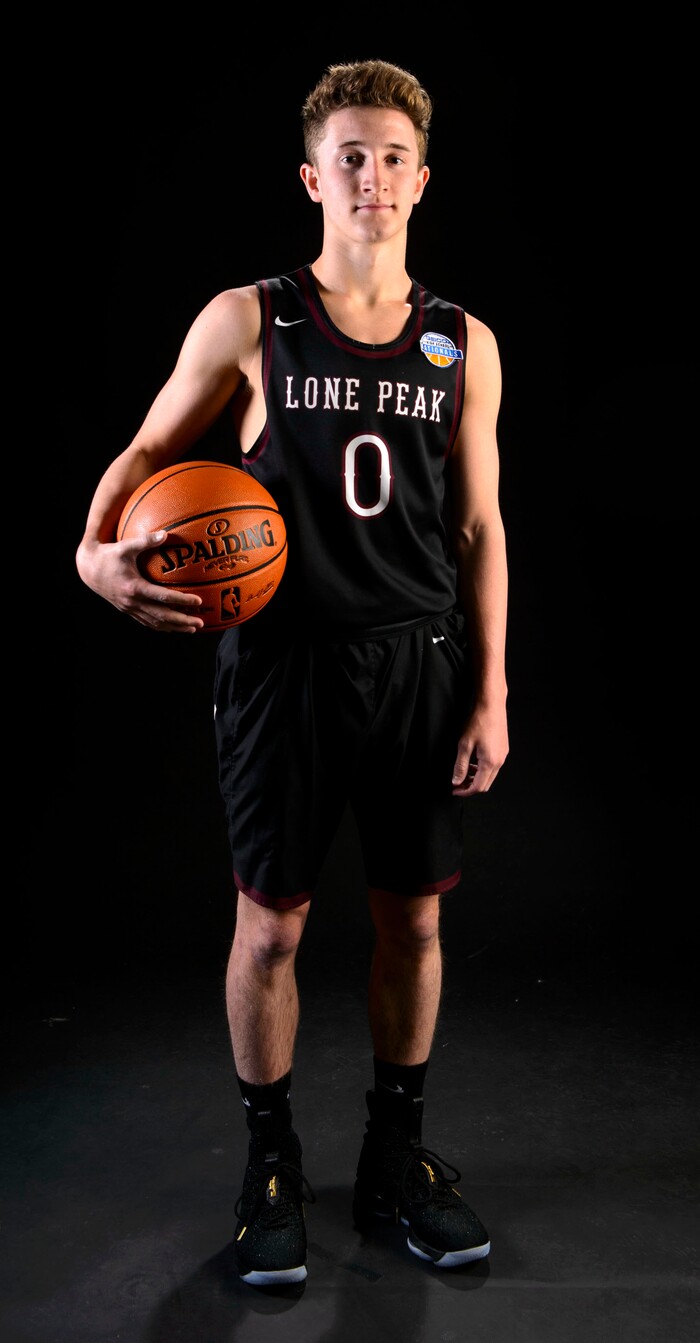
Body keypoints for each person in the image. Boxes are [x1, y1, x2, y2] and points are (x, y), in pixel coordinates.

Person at [75, 58, 509, 1287]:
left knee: (411, 915)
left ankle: (394, 1156)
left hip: (416, 663)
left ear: (421, 180)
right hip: (283, 670)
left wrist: (493, 689)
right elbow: (151, 446)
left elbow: (479, 528)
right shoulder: (247, 318)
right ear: (313, 177)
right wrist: (93, 558)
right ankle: (270, 1162)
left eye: (392, 159)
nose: (371, 178)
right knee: (270, 928)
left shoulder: (461, 342)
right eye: (350, 158)